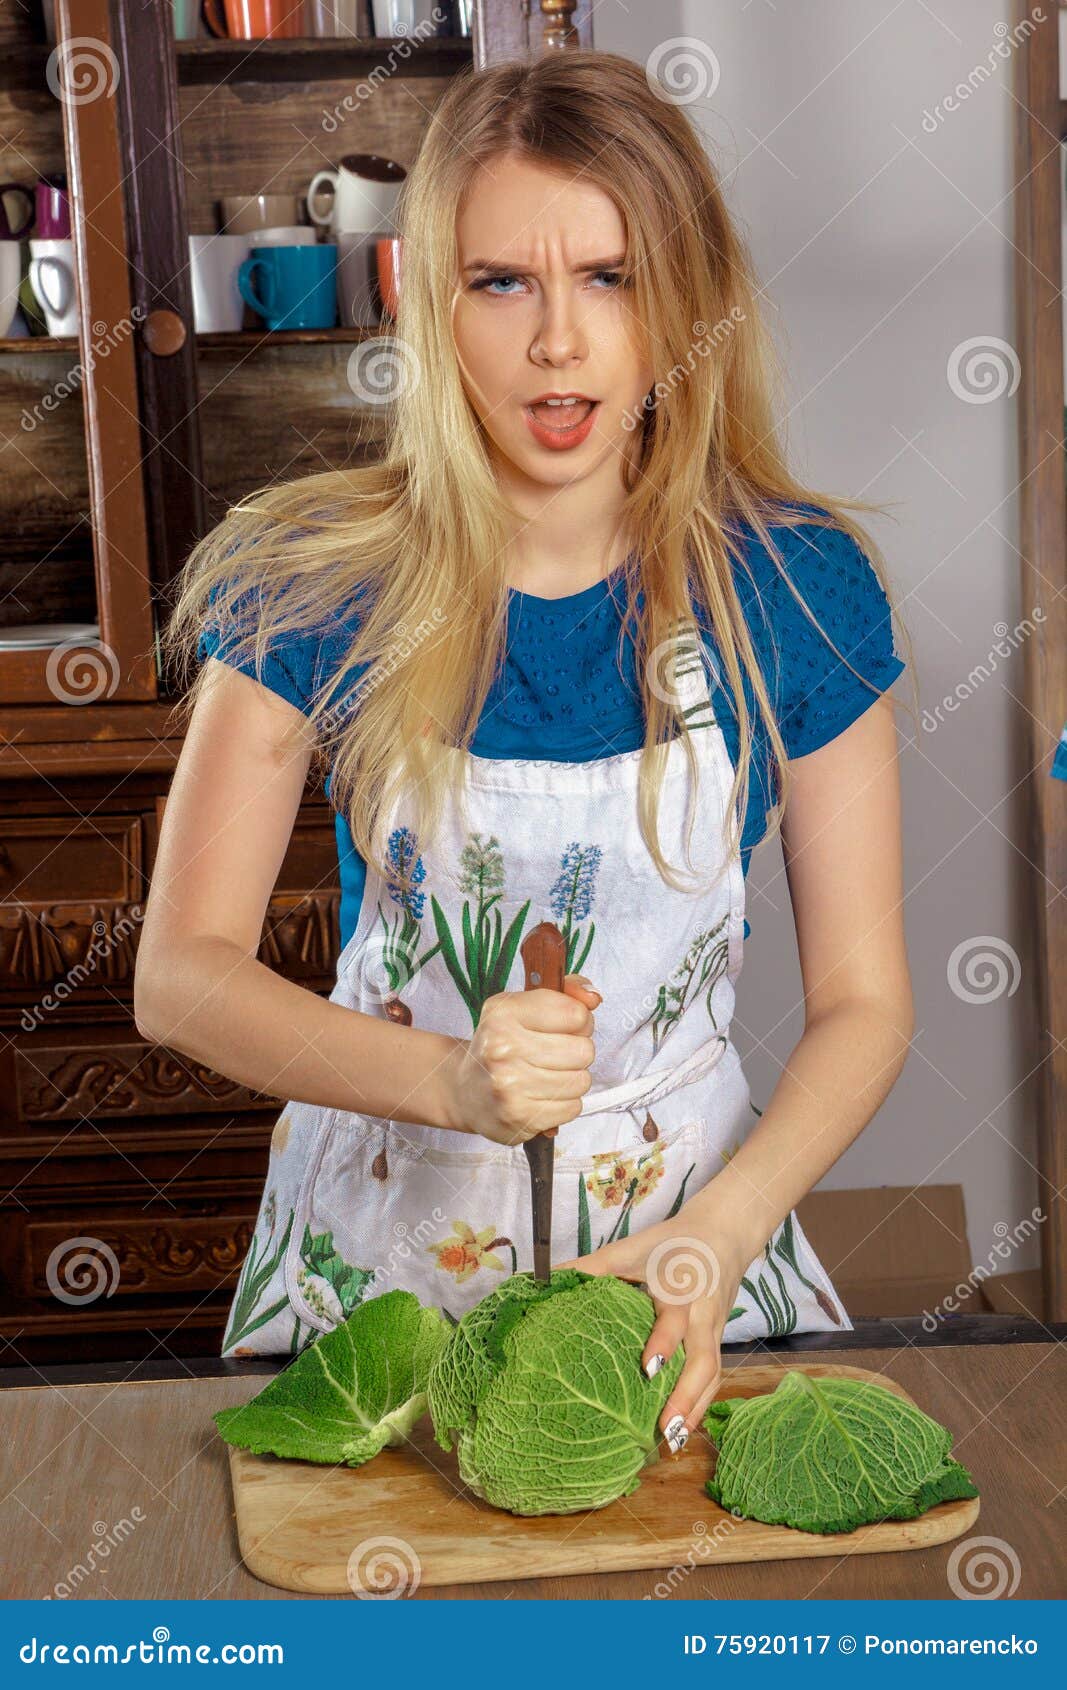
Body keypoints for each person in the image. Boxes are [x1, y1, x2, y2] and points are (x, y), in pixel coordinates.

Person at [141, 49, 914, 1455]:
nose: (558, 341)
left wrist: (724, 1229)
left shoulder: (798, 590)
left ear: (684, 298)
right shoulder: (306, 583)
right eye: (502, 282)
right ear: (431, 304)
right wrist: (454, 1083)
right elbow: (178, 977)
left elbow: (867, 1000)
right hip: (383, 1260)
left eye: (609, 277)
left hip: (685, 1260)